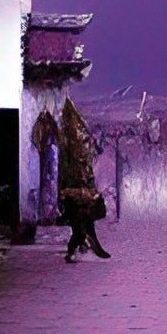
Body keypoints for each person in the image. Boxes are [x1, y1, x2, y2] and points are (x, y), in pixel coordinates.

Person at [58, 97, 110, 261]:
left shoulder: (77, 153)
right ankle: (76, 249)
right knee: (79, 222)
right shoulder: (71, 152)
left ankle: (82, 247)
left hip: (79, 190)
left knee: (83, 221)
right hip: (75, 190)